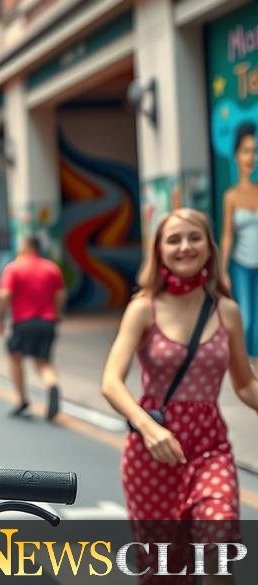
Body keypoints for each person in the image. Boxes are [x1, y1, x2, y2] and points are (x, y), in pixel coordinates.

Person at [101, 209, 258, 578]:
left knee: (220, 550)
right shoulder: (143, 310)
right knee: (164, 571)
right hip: (152, 452)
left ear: (209, 246)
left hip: (210, 447)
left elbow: (245, 383)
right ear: (159, 250)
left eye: (194, 237)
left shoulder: (227, 313)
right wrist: (148, 428)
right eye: (174, 239)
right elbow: (111, 380)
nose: (185, 246)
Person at [0, 235, 66, 420]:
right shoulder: (52, 268)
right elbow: (60, 295)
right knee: (43, 362)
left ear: (26, 247)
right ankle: (51, 384)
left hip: (23, 323)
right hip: (47, 322)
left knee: (15, 357)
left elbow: (4, 296)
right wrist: (56, 315)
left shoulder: (14, 268)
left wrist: (0, 320)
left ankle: (22, 399)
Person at [220, 121, 258, 364]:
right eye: (246, 151)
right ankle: (241, 365)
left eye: (254, 151)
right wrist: (222, 270)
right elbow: (227, 235)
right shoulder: (231, 196)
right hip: (241, 265)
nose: (251, 157)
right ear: (236, 155)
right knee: (245, 319)